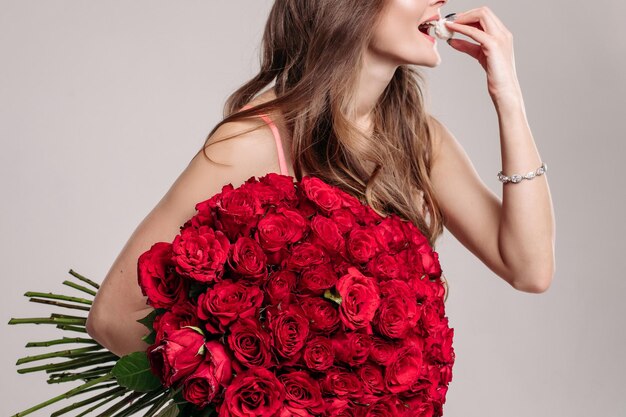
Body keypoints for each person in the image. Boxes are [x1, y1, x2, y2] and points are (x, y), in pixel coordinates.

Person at [86, 0, 555, 363]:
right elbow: (113, 319)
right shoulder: (252, 142)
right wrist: (253, 378)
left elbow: (529, 269)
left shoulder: (420, 139)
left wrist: (507, 96)